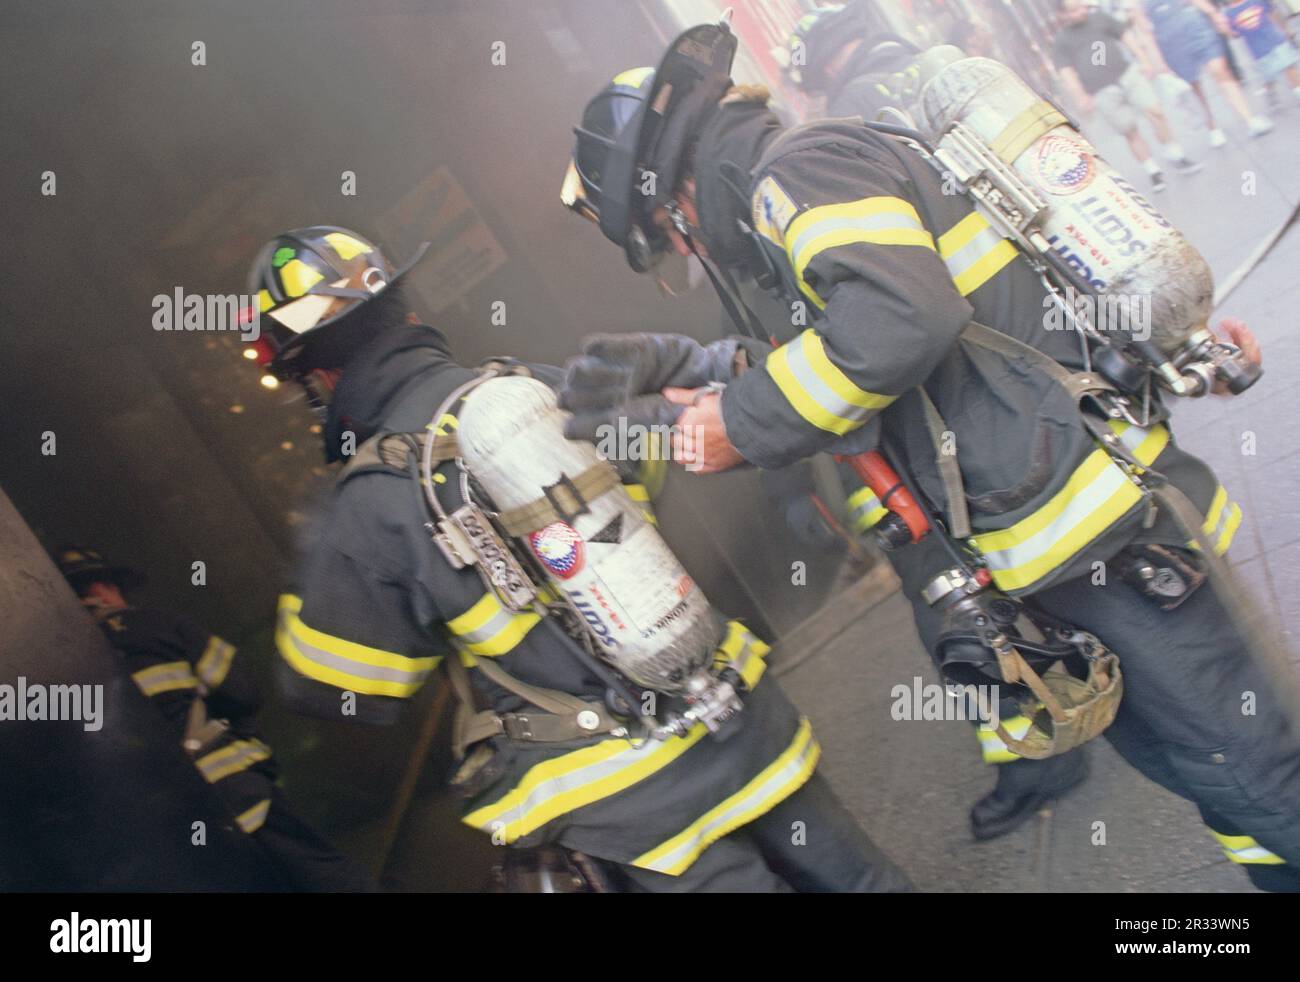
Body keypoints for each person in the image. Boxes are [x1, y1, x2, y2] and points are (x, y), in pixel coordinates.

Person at [559, 19, 1300, 891]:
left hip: (1099, 531)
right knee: (1201, 767)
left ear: (675, 185)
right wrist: (714, 397)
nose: (687, 247)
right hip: (1065, 538)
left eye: (668, 229)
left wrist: (746, 421)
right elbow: (858, 342)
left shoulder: (798, 173)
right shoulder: (793, 195)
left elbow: (900, 322)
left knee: (1248, 771)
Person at [245, 224, 912, 892]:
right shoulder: (532, 384)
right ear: (407, 314)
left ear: (322, 377)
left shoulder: (368, 500)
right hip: (735, 715)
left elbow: (339, 685)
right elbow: (648, 473)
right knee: (863, 882)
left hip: (631, 802)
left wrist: (322, 546)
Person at [54, 545, 374, 891]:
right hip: (236, 790)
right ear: (103, 588)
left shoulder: (65, 671)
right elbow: (242, 690)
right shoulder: (159, 625)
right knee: (324, 874)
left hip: (172, 829)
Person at [1053, 0, 1202, 191]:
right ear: (1063, 15)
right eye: (1075, 10)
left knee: (1155, 111)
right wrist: (1080, 95)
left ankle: (1175, 154)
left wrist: (1144, 60)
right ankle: (1152, 170)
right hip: (1102, 90)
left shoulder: (1099, 18)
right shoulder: (1062, 41)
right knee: (1129, 130)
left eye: (1081, 6)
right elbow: (1066, 71)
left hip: (1127, 74)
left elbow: (1126, 37)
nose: (1082, 10)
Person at [1136, 0, 1274, 143]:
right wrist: (1159, 61)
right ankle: (1212, 127)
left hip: (1196, 27)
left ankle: (1249, 120)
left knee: (1221, 70)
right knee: (1194, 86)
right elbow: (1146, 31)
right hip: (1171, 45)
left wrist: (1214, 14)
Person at [1219, 0, 1300, 101]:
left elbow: (1273, 13)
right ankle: (1269, 88)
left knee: (1289, 67)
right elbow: (1235, 34)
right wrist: (1225, 29)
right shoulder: (1228, 13)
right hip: (1259, 51)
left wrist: (1285, 30)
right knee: (1269, 75)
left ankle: (1297, 90)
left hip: (1275, 40)